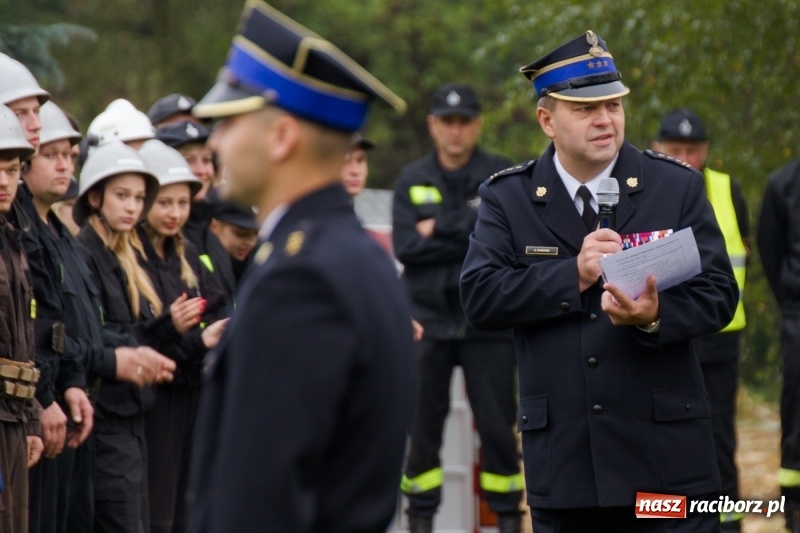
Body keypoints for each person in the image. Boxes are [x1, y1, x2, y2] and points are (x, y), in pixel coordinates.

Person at [460, 31, 738, 532]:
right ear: (547, 120)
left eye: (613, 104)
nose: (605, 119)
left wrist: (655, 315)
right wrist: (573, 274)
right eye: (585, 109)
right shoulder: (509, 198)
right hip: (568, 471)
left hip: (666, 466)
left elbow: (719, 293)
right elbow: (480, 297)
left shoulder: (675, 185)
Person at [186, 1, 416, 531]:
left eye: (229, 122)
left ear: (282, 137)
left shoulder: (300, 278)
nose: (214, 142)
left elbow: (261, 497)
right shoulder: (354, 256)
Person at [392, 83, 522, 533]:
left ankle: (509, 519)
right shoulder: (411, 178)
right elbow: (407, 247)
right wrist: (470, 227)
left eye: (464, 121)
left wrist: (438, 228)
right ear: (432, 125)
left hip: (486, 321)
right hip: (426, 322)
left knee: (498, 429)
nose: (455, 130)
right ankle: (420, 521)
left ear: (477, 125)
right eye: (447, 121)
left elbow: (504, 243)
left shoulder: (499, 175)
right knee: (422, 432)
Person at [73, 141, 198, 532]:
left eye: (140, 198)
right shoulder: (84, 255)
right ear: (95, 197)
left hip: (134, 422)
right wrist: (164, 329)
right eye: (122, 195)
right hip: (107, 423)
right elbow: (92, 338)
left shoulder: (120, 255)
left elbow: (127, 335)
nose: (132, 207)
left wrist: (169, 328)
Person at [653, 108, 749, 532]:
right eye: (676, 150)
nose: (686, 159)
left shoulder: (728, 190)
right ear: (657, 148)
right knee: (663, 442)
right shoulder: (646, 190)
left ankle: (726, 523)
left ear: (706, 150)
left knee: (719, 437)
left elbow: (749, 250)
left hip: (720, 336)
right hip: (664, 335)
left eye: (693, 150)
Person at [137, 139, 227, 533]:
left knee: (186, 512)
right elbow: (133, 336)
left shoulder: (188, 255)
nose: (175, 213)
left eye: (182, 203)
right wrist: (186, 335)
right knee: (157, 512)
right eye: (164, 203)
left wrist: (212, 335)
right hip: (151, 406)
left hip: (191, 398)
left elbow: (214, 307)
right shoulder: (130, 257)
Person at [15, 101, 95, 533]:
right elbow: (32, 325)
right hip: (32, 410)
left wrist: (73, 381)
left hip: (65, 405)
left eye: (70, 155)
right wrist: (44, 397)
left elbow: (66, 322)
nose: (64, 166)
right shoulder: (21, 227)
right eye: (52, 155)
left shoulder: (60, 234)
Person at [0, 103, 43, 533]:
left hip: (12, 420)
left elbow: (21, 344)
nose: (3, 180)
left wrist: (30, 419)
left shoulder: (12, 241)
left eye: (11, 170)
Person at [757, 146, 800, 532]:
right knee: (797, 410)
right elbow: (771, 252)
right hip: (798, 316)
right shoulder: (782, 184)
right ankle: (795, 505)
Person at [206, 199, 258, 301]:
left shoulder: (258, 261)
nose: (251, 243)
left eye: (256, 234)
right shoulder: (198, 261)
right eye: (241, 233)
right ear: (214, 226)